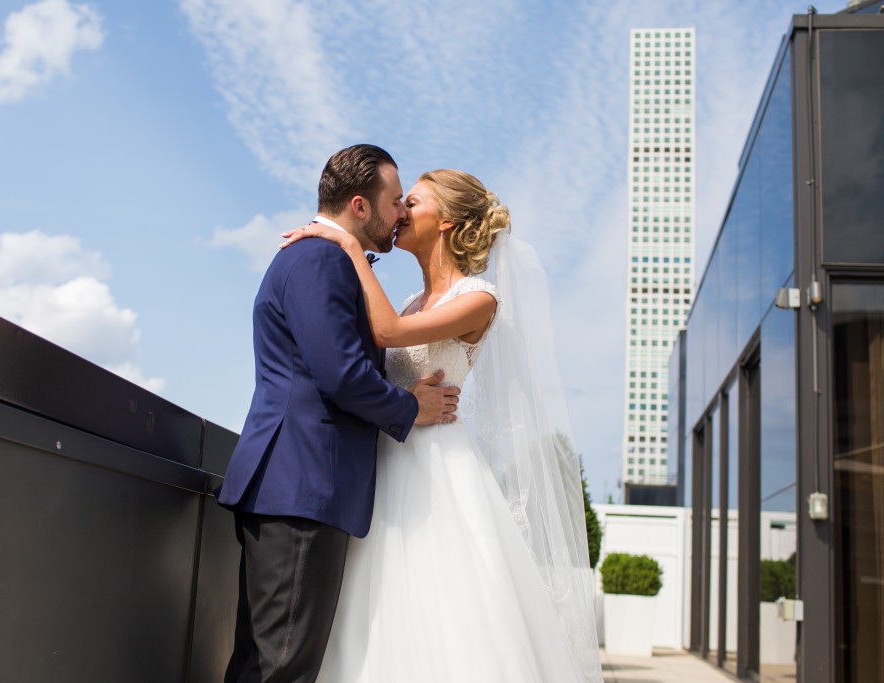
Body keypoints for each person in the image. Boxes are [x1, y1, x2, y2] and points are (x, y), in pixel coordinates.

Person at [280, 169, 603, 682]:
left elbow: (387, 333)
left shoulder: (481, 299)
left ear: (448, 220)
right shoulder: (410, 299)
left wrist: (344, 241)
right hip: (384, 460)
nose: (400, 212)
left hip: (436, 469)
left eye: (412, 201)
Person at [217, 145, 461, 683]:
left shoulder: (320, 257)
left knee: (262, 662)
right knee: (282, 667)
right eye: (395, 201)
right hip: (304, 485)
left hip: (294, 485)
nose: (400, 213)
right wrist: (409, 407)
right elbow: (341, 374)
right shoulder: (321, 259)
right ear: (359, 205)